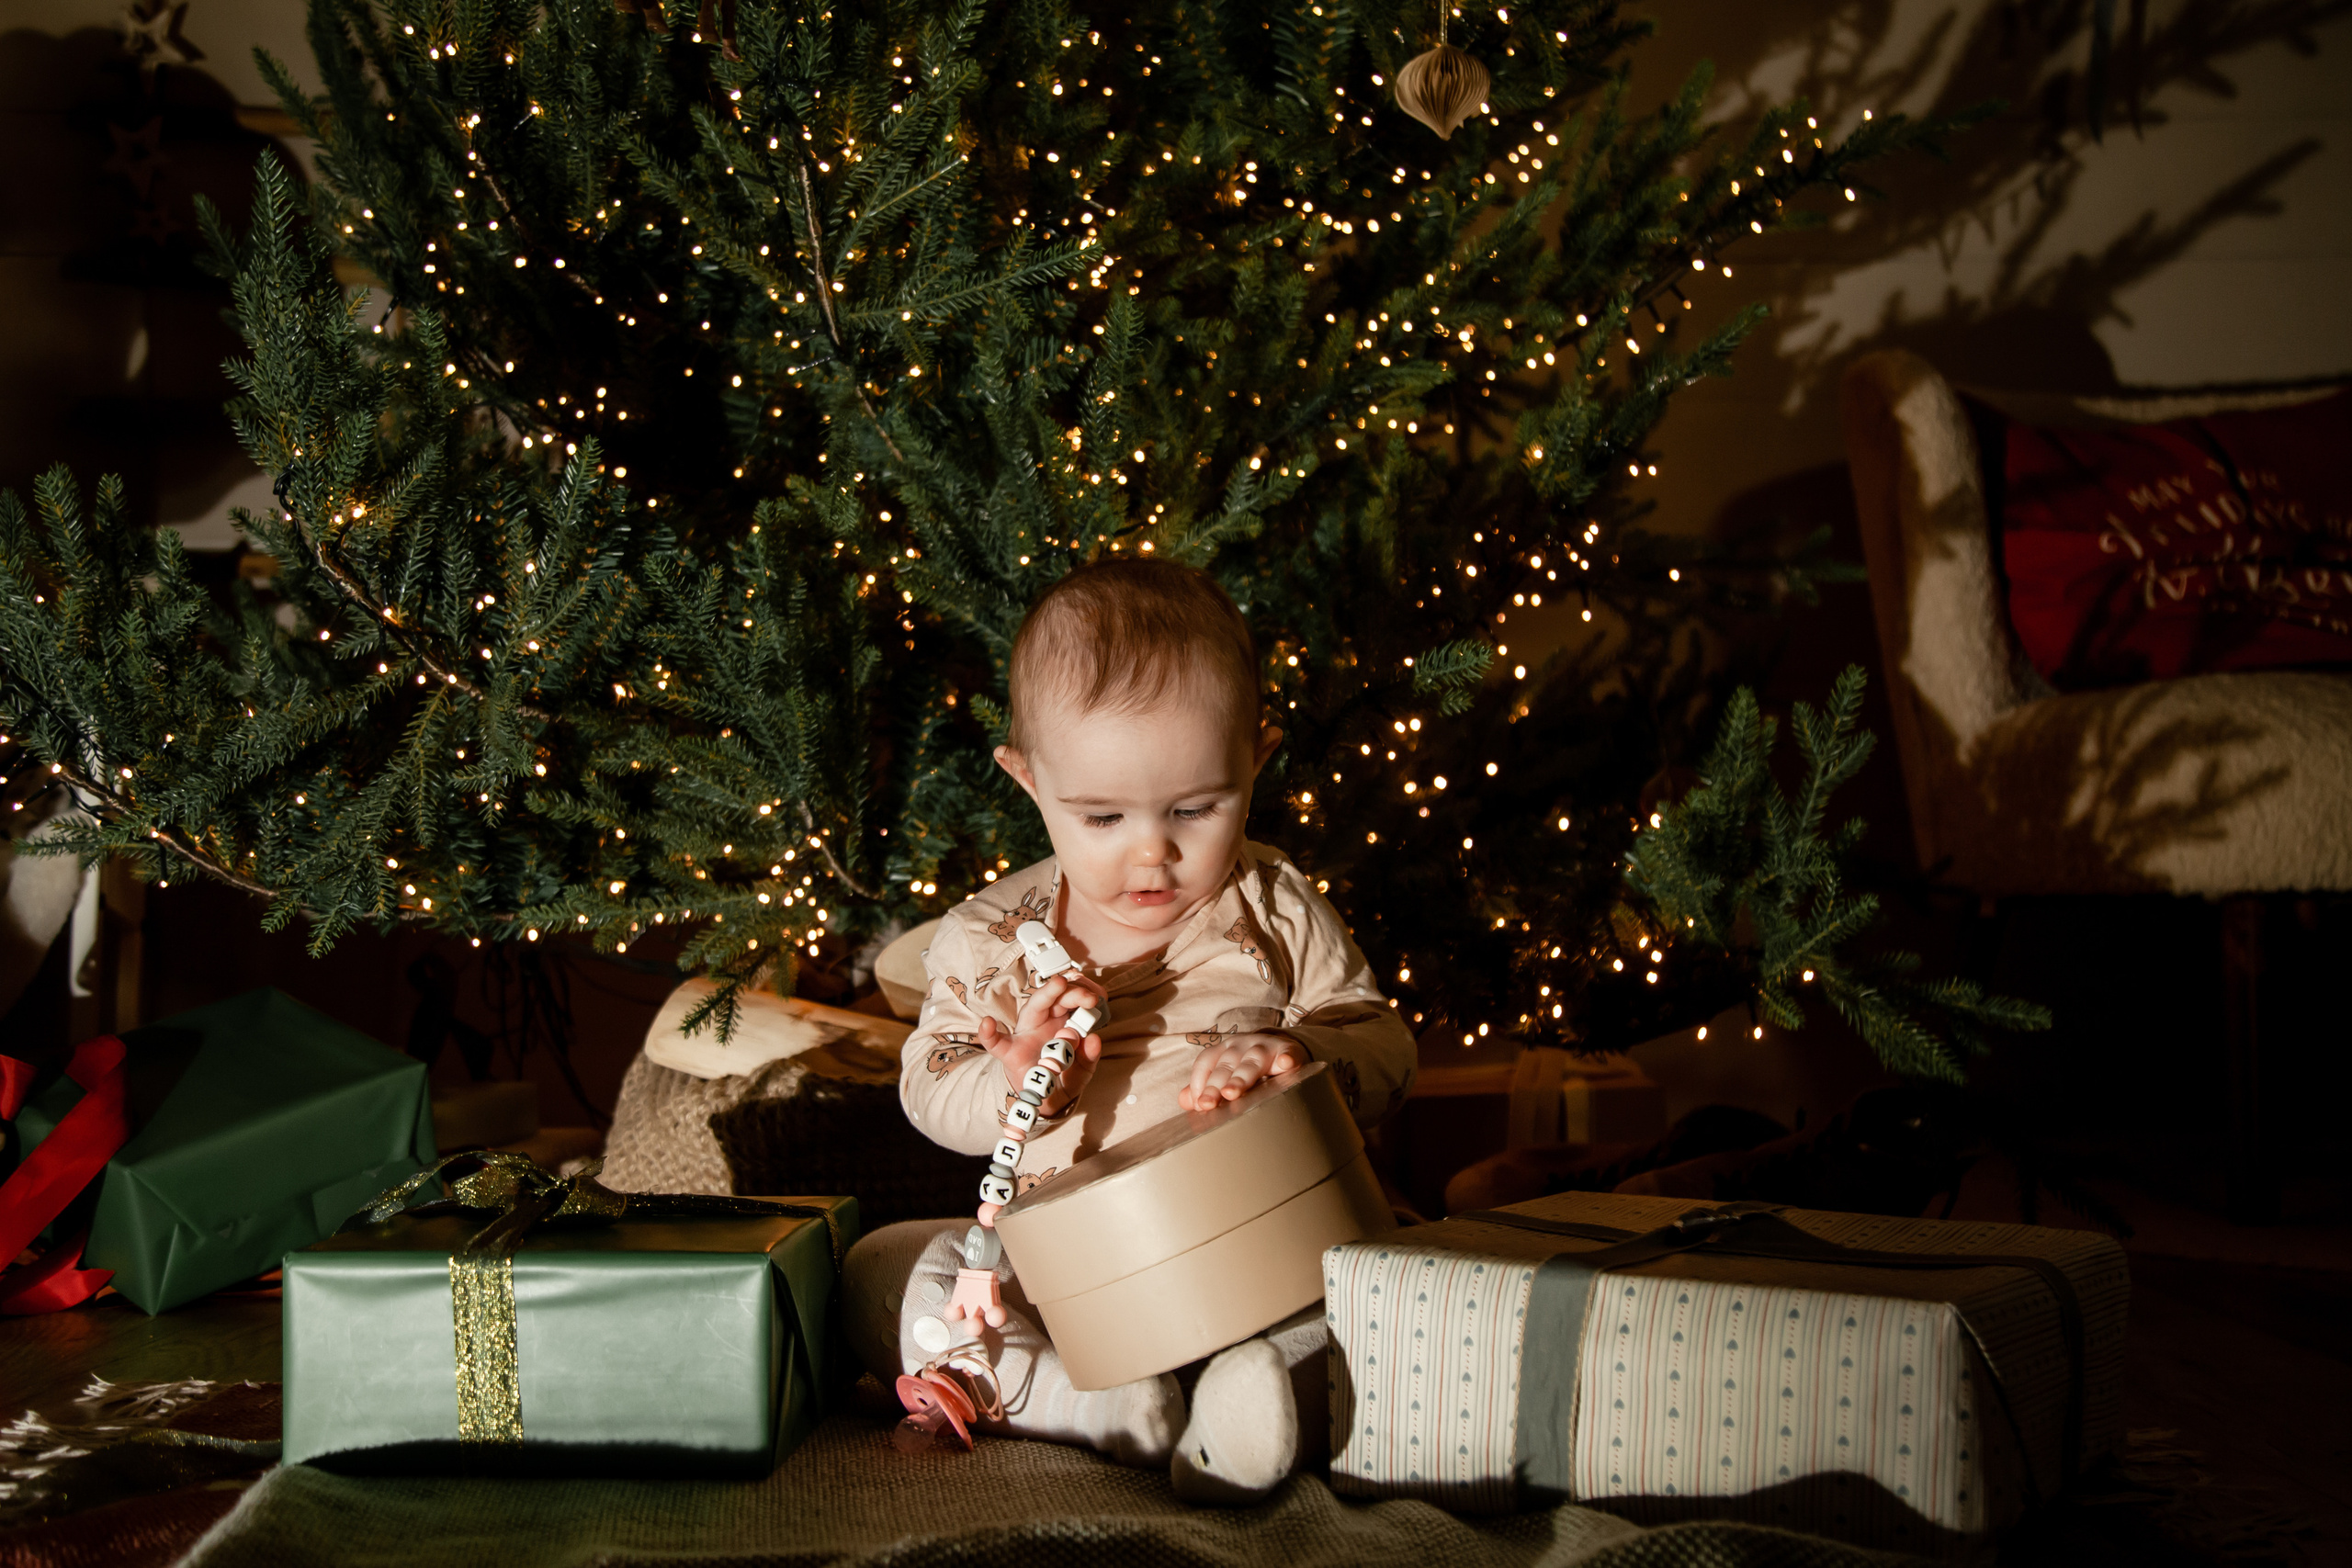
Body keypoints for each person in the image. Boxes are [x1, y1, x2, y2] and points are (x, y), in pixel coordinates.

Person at [843, 557, 1416, 1502]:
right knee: (886, 1267)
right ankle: (1095, 1403)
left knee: (1347, 1315)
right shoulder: (987, 939)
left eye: (1195, 808)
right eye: (1101, 815)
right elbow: (929, 1083)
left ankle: (1249, 1405)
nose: (1151, 851)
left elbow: (1384, 1045)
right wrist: (1010, 1080)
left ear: (1255, 759)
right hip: (1064, 1277)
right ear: (1029, 781)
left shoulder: (1270, 904)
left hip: (1258, 1258)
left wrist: (1307, 1051)